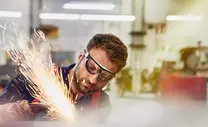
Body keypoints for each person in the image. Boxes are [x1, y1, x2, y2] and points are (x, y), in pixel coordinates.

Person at [0, 33, 128, 121]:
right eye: (91, 67)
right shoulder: (34, 80)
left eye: (104, 76)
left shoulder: (101, 102)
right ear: (81, 57)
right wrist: (14, 110)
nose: (94, 79)